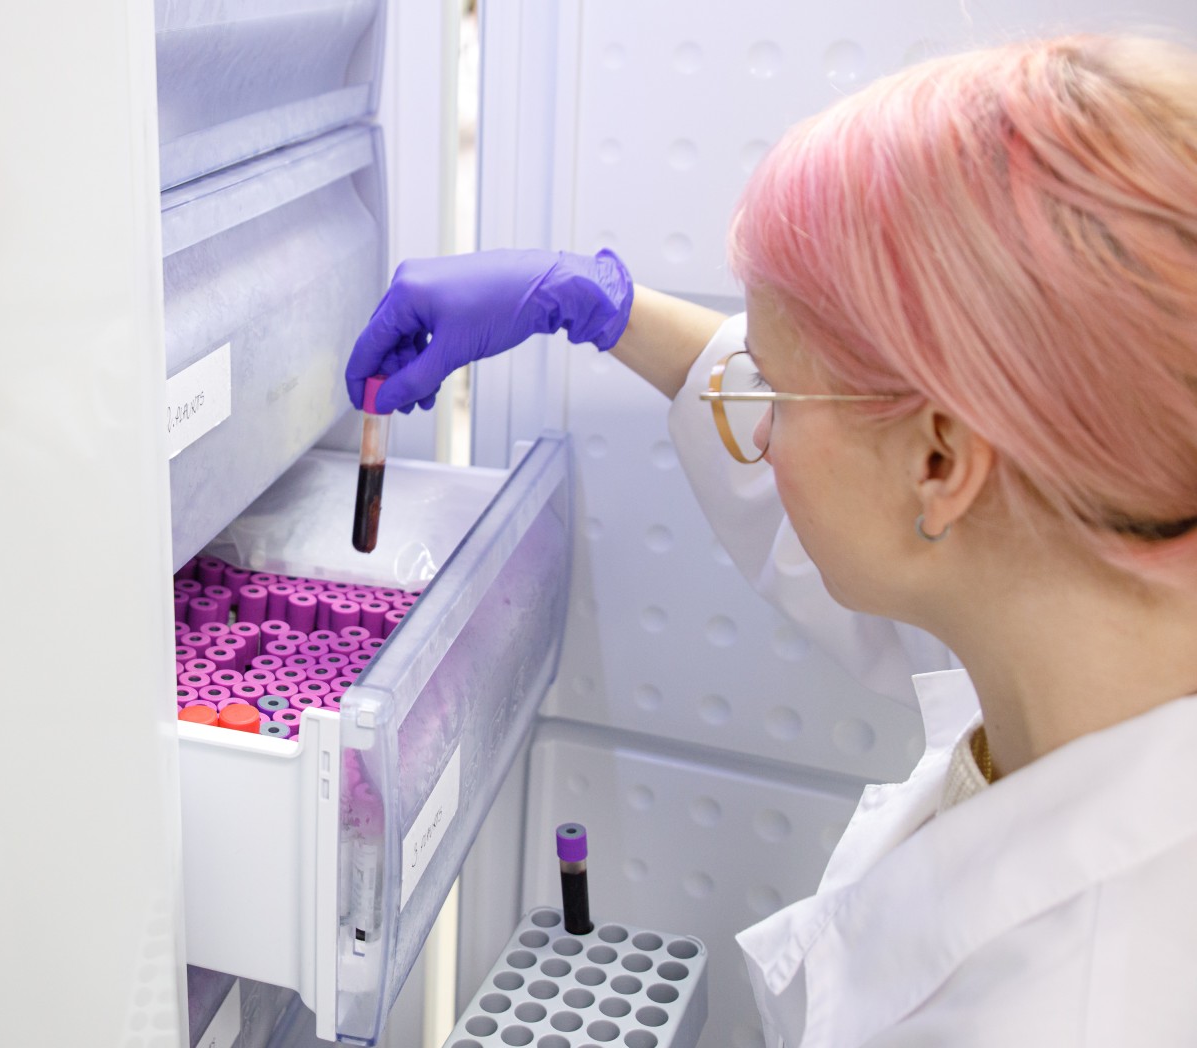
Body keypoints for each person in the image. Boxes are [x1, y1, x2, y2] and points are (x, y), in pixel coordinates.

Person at [346, 34, 1197, 1047]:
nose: (757, 437)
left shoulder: (1068, 1009)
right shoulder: (1082, 612)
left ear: (940, 461)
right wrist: (598, 307)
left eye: (776, 395)